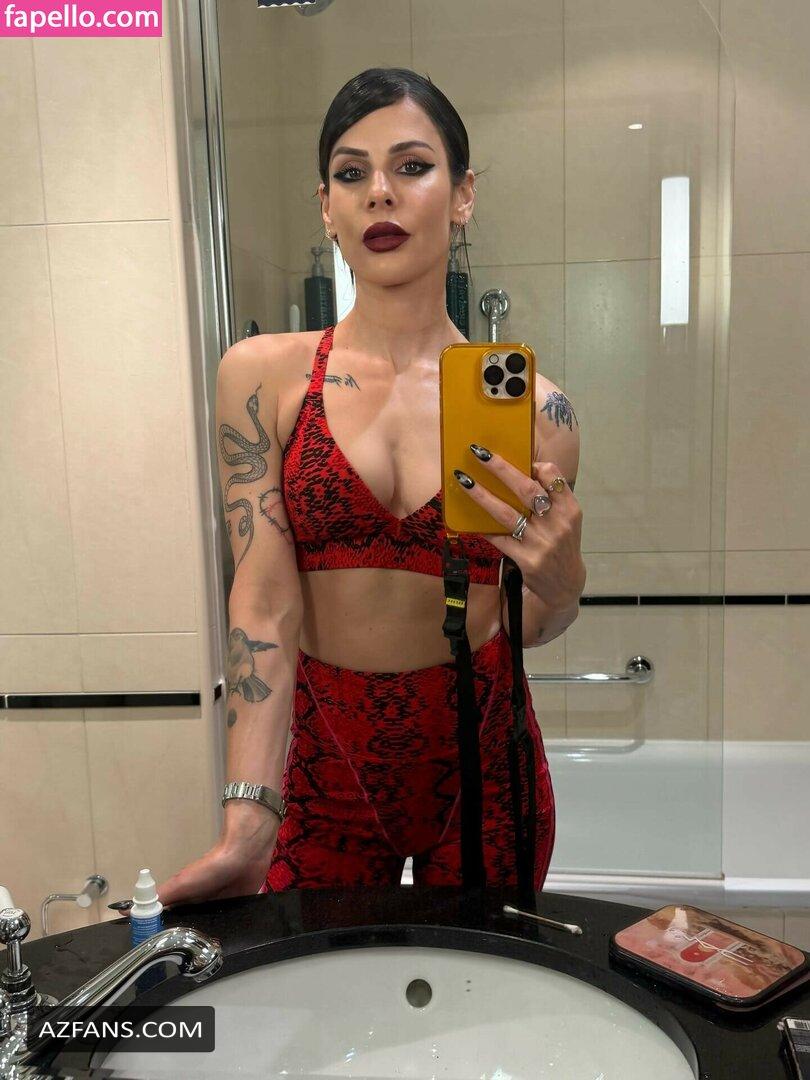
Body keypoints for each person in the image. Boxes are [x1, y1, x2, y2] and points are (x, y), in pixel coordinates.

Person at [155, 67, 586, 908]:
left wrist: (564, 585)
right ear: (327, 206)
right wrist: (246, 819)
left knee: (479, 989)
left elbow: (526, 625)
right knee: (315, 987)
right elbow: (263, 601)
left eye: (412, 167)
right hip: (324, 771)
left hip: (485, 771)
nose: (380, 193)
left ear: (463, 195)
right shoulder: (264, 377)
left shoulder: (540, 411)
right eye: (352, 174)